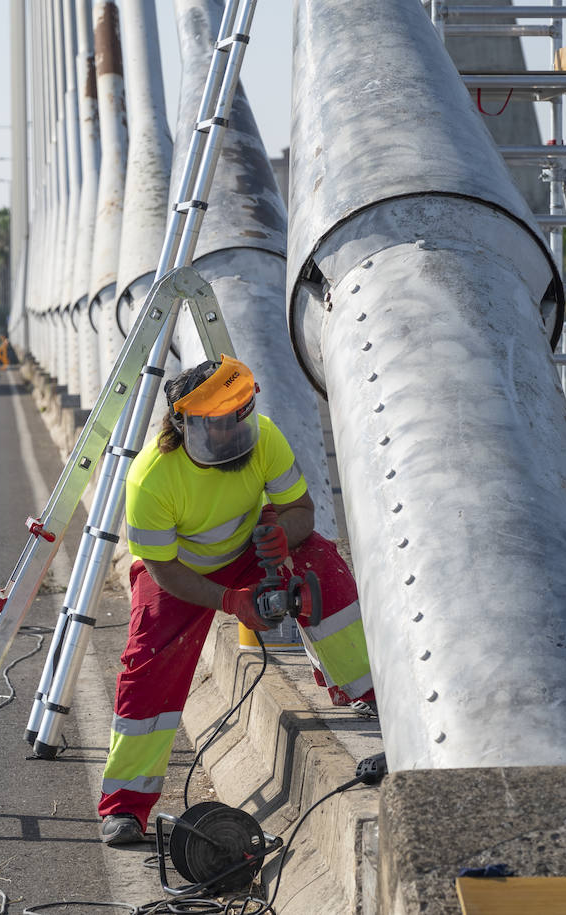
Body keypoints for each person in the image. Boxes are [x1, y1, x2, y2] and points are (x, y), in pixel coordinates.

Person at [99, 355, 375, 847]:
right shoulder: (151, 479)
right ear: (183, 425)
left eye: (239, 417)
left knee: (322, 566)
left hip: (248, 554)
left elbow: (301, 512)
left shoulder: (263, 435)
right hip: (180, 573)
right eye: (216, 424)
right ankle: (125, 805)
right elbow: (162, 568)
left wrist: (279, 532)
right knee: (149, 664)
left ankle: (365, 689)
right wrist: (229, 600)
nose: (231, 432)